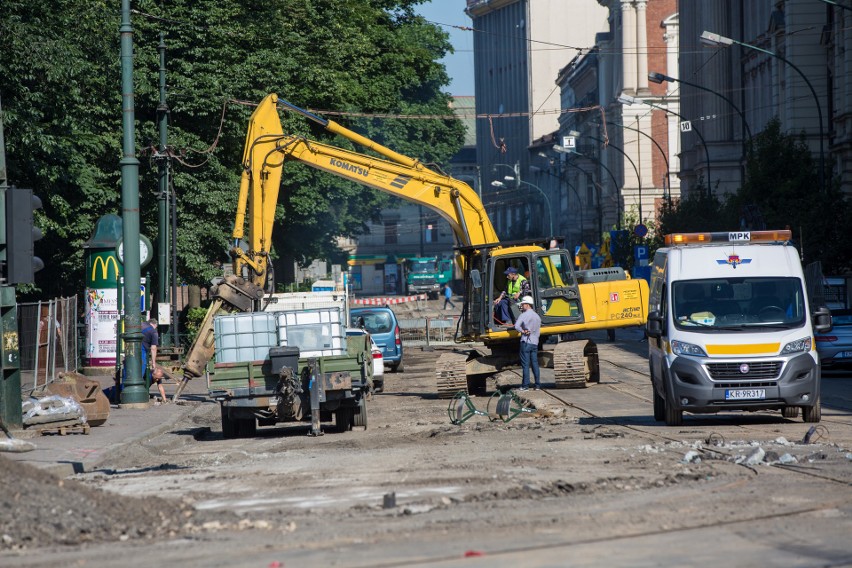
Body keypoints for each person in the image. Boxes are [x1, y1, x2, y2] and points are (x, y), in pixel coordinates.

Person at [514, 295, 541, 391]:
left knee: (525, 365)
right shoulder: (537, 316)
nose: (522, 306)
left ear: (527, 305)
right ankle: (537, 385)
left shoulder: (523, 315)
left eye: (523, 304)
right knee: (535, 364)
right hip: (534, 343)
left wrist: (523, 331)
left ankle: (525, 386)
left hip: (526, 342)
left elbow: (516, 326)